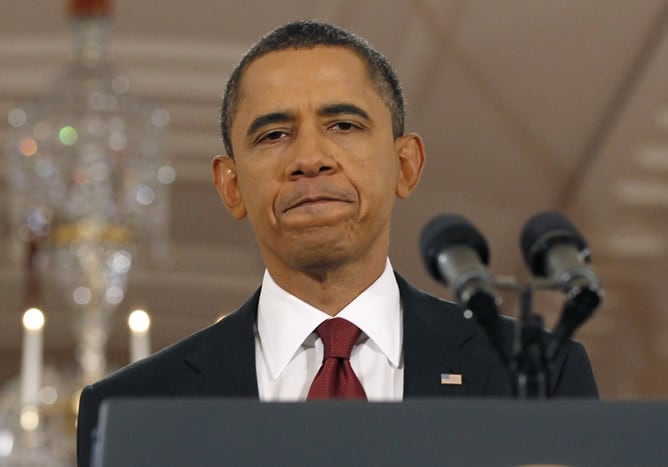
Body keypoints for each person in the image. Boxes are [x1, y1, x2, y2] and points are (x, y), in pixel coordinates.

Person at [77, 20, 598, 466]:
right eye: (273, 135)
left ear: (406, 164)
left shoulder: (536, 376)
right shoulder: (133, 407)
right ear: (231, 186)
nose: (310, 158)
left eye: (343, 125)